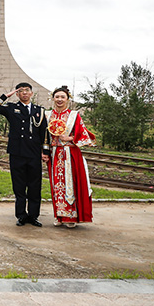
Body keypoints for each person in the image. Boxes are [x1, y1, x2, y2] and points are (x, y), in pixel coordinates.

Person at [0, 82, 50, 227]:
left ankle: (33, 216)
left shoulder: (39, 111)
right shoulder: (12, 108)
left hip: (34, 153)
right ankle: (21, 215)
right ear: (17, 94)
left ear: (31, 93)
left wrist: (46, 152)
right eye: (21, 91)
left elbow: (45, 133)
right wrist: (7, 95)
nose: (24, 93)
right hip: (17, 153)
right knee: (19, 186)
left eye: (27, 90)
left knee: (35, 186)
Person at [46, 86, 94, 228]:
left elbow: (84, 134)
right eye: (57, 97)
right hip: (54, 154)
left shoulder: (74, 115)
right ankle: (59, 215)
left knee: (70, 184)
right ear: (53, 98)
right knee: (56, 186)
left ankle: (71, 216)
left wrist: (70, 138)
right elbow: (43, 136)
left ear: (68, 99)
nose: (60, 99)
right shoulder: (47, 115)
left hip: (70, 153)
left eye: (63, 97)